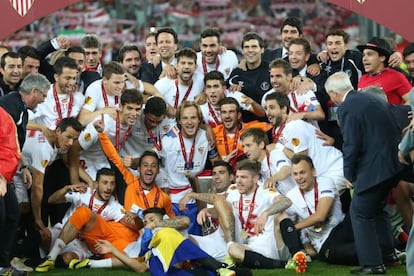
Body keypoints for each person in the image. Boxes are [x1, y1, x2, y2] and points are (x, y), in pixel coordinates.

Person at [325, 71, 404, 274]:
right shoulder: (369, 98)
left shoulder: (347, 107)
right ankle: (388, 254)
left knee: (360, 213)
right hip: (392, 164)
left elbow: (352, 144)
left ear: (334, 94)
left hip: (374, 168)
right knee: (377, 210)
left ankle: (373, 264)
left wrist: (348, 174)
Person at [285, 154, 358, 265]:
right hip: (324, 243)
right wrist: (307, 247)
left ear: (313, 171)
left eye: (302, 172)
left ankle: (388, 247)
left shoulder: (325, 182)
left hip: (341, 228)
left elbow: (320, 216)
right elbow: (290, 222)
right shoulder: (291, 196)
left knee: (359, 212)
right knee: (348, 253)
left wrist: (293, 228)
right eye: (295, 174)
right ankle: (384, 253)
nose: (299, 177)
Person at [160, 101, 219, 235]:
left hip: (194, 197)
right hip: (171, 198)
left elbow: (216, 163)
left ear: (199, 120)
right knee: (173, 239)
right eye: (185, 118)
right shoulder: (168, 140)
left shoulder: (206, 137)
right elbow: (155, 165)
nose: (189, 122)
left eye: (193, 117)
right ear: (179, 121)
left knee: (195, 239)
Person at [261, 58, 325, 128]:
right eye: (272, 76)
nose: (274, 80)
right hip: (283, 137)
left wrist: (301, 115)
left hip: (307, 136)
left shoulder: (302, 92)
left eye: (278, 76)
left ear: (289, 76)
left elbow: (320, 114)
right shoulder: (267, 97)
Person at [213, 97, 272, 169]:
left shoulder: (253, 127)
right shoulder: (213, 132)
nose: (227, 116)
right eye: (224, 112)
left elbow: (277, 125)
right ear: (220, 115)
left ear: (238, 115)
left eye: (231, 112)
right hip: (225, 174)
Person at [227, 32, 270, 122]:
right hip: (244, 126)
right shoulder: (236, 74)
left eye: (254, 47)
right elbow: (223, 88)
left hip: (268, 124)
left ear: (262, 50)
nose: (250, 50)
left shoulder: (271, 70)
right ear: (242, 51)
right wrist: (232, 89)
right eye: (246, 47)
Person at [240, 127, 296, 194]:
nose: (245, 151)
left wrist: (273, 179)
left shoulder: (274, 154)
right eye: (243, 147)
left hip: (298, 200)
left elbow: (286, 170)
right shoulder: (257, 167)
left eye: (248, 145)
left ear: (261, 145)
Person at [357, 37, 411, 105]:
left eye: (369, 54)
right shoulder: (362, 78)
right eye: (363, 55)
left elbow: (412, 100)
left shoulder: (396, 76)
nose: (364, 58)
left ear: (382, 57)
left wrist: (397, 113)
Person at [0, 107, 22, 275]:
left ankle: (2, 263)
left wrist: (2, 177)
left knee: (12, 214)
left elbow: (10, 148)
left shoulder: (3, 115)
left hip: (2, 173)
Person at [154, 47, 204, 117]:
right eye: (183, 63)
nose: (186, 66)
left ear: (195, 67)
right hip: (167, 125)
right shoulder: (164, 83)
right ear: (177, 66)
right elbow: (150, 100)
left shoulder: (201, 81)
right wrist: (164, 105)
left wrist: (205, 94)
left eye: (190, 63)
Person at [78, 61, 126, 126]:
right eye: (116, 83)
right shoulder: (93, 89)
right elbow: (82, 120)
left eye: (122, 82)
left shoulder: (126, 87)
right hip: (99, 132)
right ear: (105, 80)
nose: (120, 86)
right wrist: (103, 111)